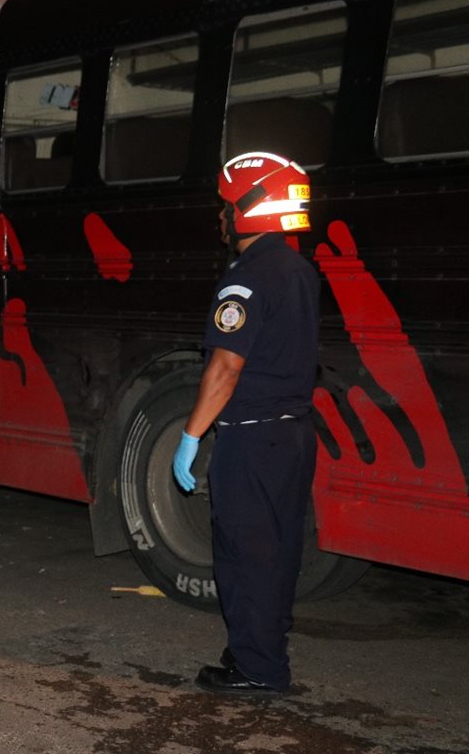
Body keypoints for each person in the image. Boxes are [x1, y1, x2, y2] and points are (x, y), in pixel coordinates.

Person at [172, 151, 319, 697]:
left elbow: (225, 368)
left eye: (226, 206)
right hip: (293, 433)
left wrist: (190, 436)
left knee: (244, 551)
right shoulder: (299, 269)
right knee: (278, 551)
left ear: (250, 209)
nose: (221, 216)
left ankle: (257, 668)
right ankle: (263, 651)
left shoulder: (248, 278)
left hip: (253, 437)